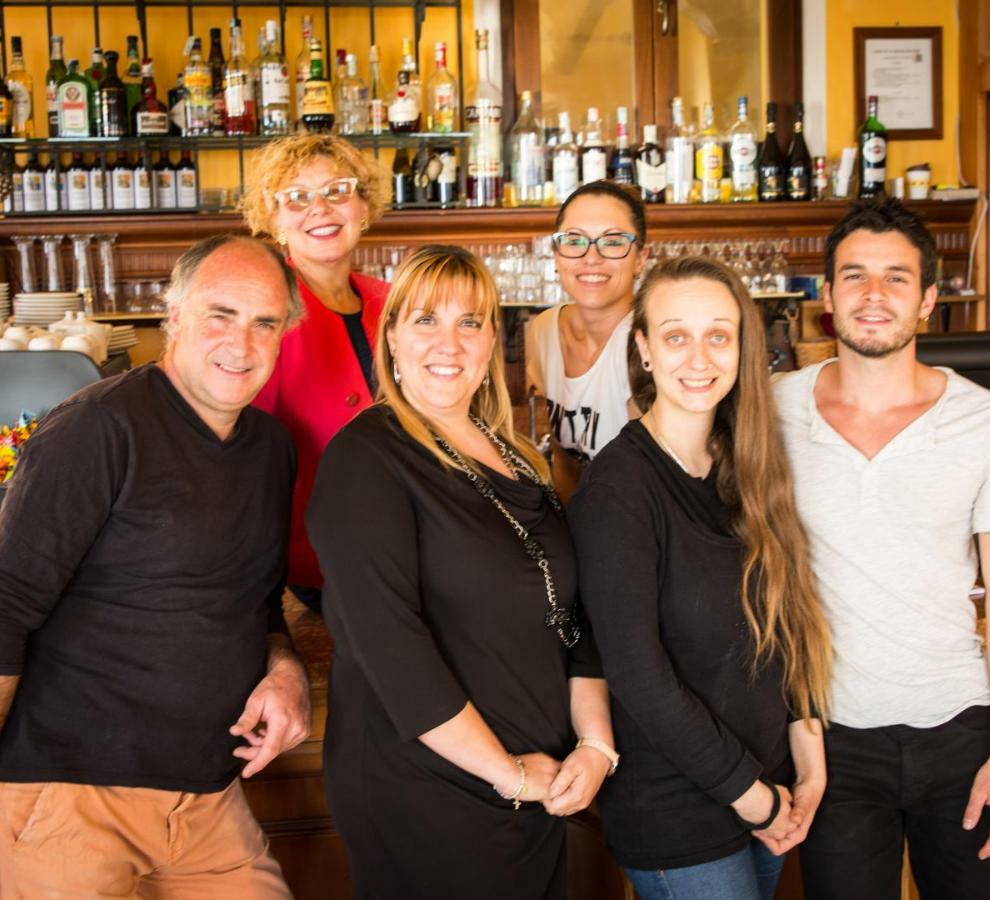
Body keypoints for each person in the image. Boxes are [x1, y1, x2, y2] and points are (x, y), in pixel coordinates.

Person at [0, 235, 312, 900]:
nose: (242, 344)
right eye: (220, 314)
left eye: (264, 321)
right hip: (70, 800)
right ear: (173, 318)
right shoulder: (94, 430)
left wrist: (286, 668)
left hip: (207, 800)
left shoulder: (269, 448)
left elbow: (258, 604)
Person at [308, 245, 615, 899]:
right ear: (390, 338)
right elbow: (390, 646)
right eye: (424, 320)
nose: (449, 342)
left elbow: (571, 610)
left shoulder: (522, 456)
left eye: (470, 322)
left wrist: (595, 744)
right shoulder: (365, 458)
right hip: (428, 787)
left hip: (536, 783)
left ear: (491, 341)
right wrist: (507, 775)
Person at [776, 198, 990, 899]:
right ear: (827, 295)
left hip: (960, 732)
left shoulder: (989, 423)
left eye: (896, 278)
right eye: (855, 275)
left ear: (928, 300)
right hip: (830, 742)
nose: (873, 295)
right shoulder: (771, 412)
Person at [569, 256, 832, 900]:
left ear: (743, 349)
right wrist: (754, 800)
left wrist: (808, 749)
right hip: (678, 809)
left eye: (718, 335)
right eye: (675, 335)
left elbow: (784, 617)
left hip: (765, 785)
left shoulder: (748, 466)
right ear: (645, 351)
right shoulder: (619, 489)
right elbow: (638, 678)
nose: (699, 357)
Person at [242, 133, 391, 607]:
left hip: (408, 539)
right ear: (274, 219)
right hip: (324, 561)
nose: (320, 208)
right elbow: (238, 459)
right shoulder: (264, 311)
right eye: (297, 198)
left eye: (337, 191)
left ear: (363, 207)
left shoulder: (393, 301)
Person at [525, 181, 649, 499]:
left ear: (640, 258)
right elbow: (566, 461)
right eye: (574, 240)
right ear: (556, 255)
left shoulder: (650, 343)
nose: (591, 257)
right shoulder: (543, 331)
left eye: (612, 242)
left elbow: (654, 482)